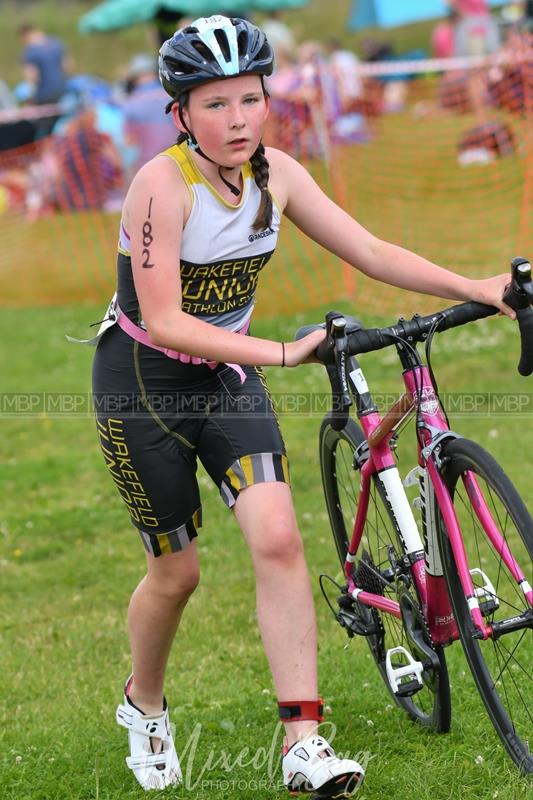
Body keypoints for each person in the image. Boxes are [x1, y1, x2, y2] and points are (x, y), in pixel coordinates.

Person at [88, 15, 514, 795]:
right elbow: (165, 319)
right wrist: (285, 353)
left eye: (248, 100)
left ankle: (303, 743)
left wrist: (476, 287)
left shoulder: (274, 174)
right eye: (213, 105)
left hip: (225, 380)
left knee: (278, 539)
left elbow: (369, 249)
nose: (237, 119)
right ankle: (142, 704)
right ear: (179, 113)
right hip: (142, 385)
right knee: (176, 575)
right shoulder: (160, 183)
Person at [121, 54, 177, 174]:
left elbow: (130, 141)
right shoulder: (171, 96)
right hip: (177, 159)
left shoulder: (129, 104)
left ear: (134, 77)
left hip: (148, 166)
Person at [18, 23, 68, 105]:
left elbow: (32, 77)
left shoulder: (30, 51)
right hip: (62, 92)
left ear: (25, 36)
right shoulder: (57, 43)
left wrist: (30, 97)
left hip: (43, 96)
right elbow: (66, 67)